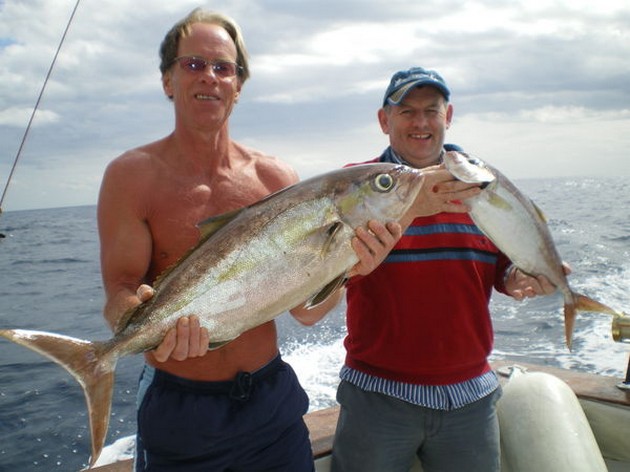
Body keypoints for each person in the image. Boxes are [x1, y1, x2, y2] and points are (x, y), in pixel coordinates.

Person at [97, 9, 477, 471]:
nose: (211, 77)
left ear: (239, 85)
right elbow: (118, 294)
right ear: (167, 79)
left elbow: (307, 311)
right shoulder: (131, 177)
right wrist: (136, 318)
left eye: (224, 68)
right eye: (194, 64)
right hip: (181, 405)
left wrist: (352, 269)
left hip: (269, 403)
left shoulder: (274, 177)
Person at [303, 67, 560, 472]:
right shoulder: (356, 189)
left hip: (470, 400)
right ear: (384, 120)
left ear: (448, 115)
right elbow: (316, 286)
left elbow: (504, 273)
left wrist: (522, 279)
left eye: (431, 110)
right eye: (406, 111)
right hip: (377, 398)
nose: (420, 122)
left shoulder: (483, 189)